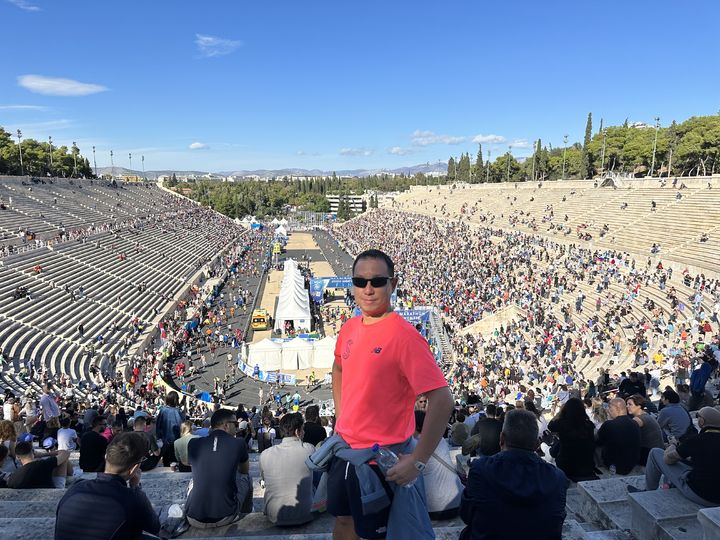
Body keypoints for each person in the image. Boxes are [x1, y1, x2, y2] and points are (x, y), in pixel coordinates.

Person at [327, 249, 454, 540]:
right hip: (343, 450)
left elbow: (443, 399)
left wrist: (418, 460)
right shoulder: (349, 327)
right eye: (360, 282)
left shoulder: (404, 336)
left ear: (392, 284)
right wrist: (341, 418)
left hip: (379, 462)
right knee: (344, 523)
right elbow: (338, 369)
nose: (368, 289)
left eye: (377, 281)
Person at [459, 409, 567, 540]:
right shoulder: (558, 478)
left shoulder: (480, 469)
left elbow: (466, 514)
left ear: (501, 439)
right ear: (537, 444)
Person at [54, 432, 161, 540]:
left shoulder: (76, 487)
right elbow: (155, 527)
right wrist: (136, 487)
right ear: (134, 468)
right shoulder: (133, 498)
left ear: (106, 457)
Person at [632, 407, 720, 506]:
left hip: (701, 495)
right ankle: (669, 485)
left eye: (698, 416)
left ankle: (648, 491)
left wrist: (673, 444)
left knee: (655, 453)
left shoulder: (698, 440)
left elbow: (668, 459)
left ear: (702, 421)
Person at [186, 408, 252, 528]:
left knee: (193, 480)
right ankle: (246, 512)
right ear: (226, 425)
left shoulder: (193, 443)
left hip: (193, 517)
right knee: (247, 478)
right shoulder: (239, 443)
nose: (237, 427)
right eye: (235, 424)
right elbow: (244, 471)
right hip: (225, 516)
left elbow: (195, 467)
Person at [260, 412, 316, 526]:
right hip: (305, 513)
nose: (304, 433)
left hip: (274, 515)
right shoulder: (310, 449)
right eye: (303, 429)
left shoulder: (265, 454)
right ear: (297, 432)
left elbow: (264, 480)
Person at [414, 410, 462, 520]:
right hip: (457, 502)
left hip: (433, 509)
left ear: (415, 426)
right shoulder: (440, 439)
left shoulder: (414, 445)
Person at [547, 397, 597, 481]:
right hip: (586, 465)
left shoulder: (562, 424)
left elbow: (550, 425)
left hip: (567, 465)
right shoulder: (589, 425)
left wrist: (559, 413)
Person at [596, 398, 641, 475]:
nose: (608, 410)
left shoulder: (608, 424)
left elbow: (597, 441)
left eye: (609, 407)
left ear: (617, 408)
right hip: (631, 464)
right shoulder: (635, 423)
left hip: (614, 466)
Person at [625, 394, 664, 465]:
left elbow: (626, 433)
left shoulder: (638, 419)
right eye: (627, 404)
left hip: (649, 454)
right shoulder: (646, 415)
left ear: (639, 406)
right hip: (656, 451)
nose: (627, 406)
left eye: (630, 404)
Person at [156, 391, 184, 466]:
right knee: (174, 463)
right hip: (174, 441)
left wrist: (159, 437)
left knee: (166, 462)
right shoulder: (176, 412)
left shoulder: (162, 410)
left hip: (164, 441)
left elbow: (158, 426)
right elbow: (181, 426)